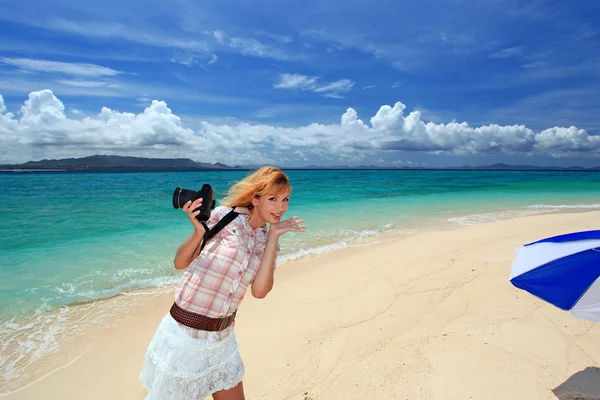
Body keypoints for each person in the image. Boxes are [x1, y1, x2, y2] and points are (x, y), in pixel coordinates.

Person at [139, 166, 305, 400]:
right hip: (185, 336)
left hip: (222, 339)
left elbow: (259, 291)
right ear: (255, 199)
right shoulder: (224, 217)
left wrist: (273, 237)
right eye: (273, 199)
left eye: (285, 199)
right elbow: (180, 262)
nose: (281, 207)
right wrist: (198, 232)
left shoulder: (266, 240)